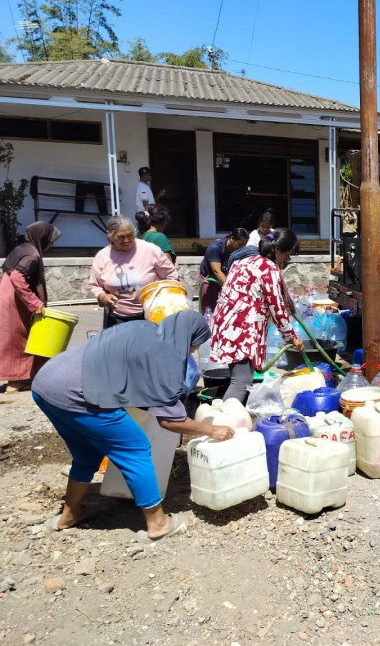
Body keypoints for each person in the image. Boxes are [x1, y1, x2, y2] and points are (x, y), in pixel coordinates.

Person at [32, 311, 235, 541]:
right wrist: (212, 430)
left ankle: (69, 515)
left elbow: (127, 371)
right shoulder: (167, 356)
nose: (193, 352)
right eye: (195, 346)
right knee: (135, 448)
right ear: (188, 338)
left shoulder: (145, 329)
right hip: (77, 393)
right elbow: (169, 420)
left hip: (46, 384)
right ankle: (159, 523)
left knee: (87, 453)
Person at [211, 228, 303, 402]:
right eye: (287, 256)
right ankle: (228, 423)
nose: (286, 261)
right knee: (242, 380)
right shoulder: (268, 269)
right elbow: (277, 308)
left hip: (226, 323)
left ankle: (234, 417)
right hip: (242, 328)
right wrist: (291, 338)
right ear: (277, 250)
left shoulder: (243, 261)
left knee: (239, 377)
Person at [0, 222, 61, 393]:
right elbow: (17, 277)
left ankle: (25, 377)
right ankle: (15, 382)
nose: (52, 244)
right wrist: (34, 303)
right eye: (51, 239)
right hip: (15, 302)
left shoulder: (22, 248)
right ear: (42, 237)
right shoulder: (32, 254)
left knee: (18, 338)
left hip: (8, 297)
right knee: (19, 339)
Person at [89, 216, 178, 329]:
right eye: (121, 237)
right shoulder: (102, 256)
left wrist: (163, 297)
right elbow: (95, 285)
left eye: (130, 235)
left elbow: (171, 275)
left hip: (151, 314)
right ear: (110, 237)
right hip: (117, 318)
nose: (126, 240)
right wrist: (103, 297)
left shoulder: (150, 250)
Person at [198, 228, 249, 314]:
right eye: (240, 244)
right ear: (232, 239)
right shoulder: (215, 248)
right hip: (210, 279)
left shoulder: (238, 251)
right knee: (209, 310)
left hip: (225, 279)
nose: (242, 247)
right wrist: (230, 288)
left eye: (244, 245)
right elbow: (216, 271)